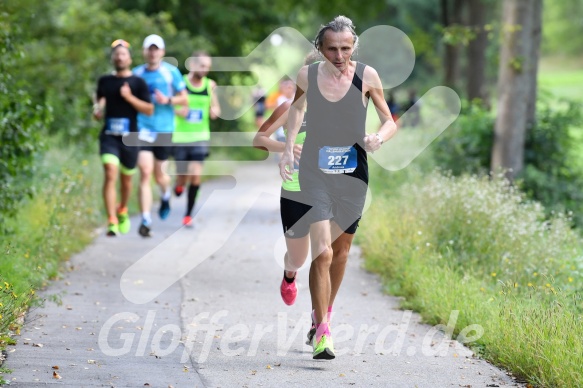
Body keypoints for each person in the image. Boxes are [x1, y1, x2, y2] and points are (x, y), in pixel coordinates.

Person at [279, 16, 397, 360]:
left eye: (346, 48)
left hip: (353, 173)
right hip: (315, 172)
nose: (339, 55)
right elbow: (297, 109)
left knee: (342, 252)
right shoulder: (308, 76)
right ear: (320, 48)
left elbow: (389, 120)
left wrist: (379, 137)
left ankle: (321, 317)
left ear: (354, 46)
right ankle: (324, 334)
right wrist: (287, 147)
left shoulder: (367, 76)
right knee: (324, 251)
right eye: (332, 48)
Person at [253, 50, 322, 307]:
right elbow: (258, 141)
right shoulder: (289, 106)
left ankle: (320, 321)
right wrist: (287, 147)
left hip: (329, 190)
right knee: (298, 258)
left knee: (324, 254)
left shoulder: (341, 108)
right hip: (296, 189)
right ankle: (289, 275)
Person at [93, 39, 154, 237]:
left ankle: (122, 209)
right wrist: (98, 108)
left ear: (129, 58)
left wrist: (129, 98)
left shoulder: (138, 82)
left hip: (130, 138)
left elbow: (149, 110)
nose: (119, 57)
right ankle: (111, 221)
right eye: (116, 54)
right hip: (109, 136)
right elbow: (100, 97)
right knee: (110, 172)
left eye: (123, 54)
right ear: (112, 58)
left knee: (126, 181)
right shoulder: (105, 81)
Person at [133, 34, 187, 237]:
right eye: (150, 49)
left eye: (156, 49)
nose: (153, 52)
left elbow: (184, 100)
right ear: (144, 51)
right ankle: (146, 218)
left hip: (164, 129)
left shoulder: (170, 73)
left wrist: (167, 100)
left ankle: (165, 194)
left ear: (162, 52)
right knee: (145, 172)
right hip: (142, 127)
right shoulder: (136, 74)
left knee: (160, 175)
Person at [172, 51, 221, 227]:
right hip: (180, 136)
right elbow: (169, 107)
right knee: (182, 175)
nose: (205, 70)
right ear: (192, 65)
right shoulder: (181, 83)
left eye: (207, 67)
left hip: (200, 137)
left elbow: (216, 108)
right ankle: (178, 184)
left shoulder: (210, 85)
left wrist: (214, 112)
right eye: (202, 66)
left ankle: (188, 215)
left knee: (195, 175)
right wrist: (179, 111)